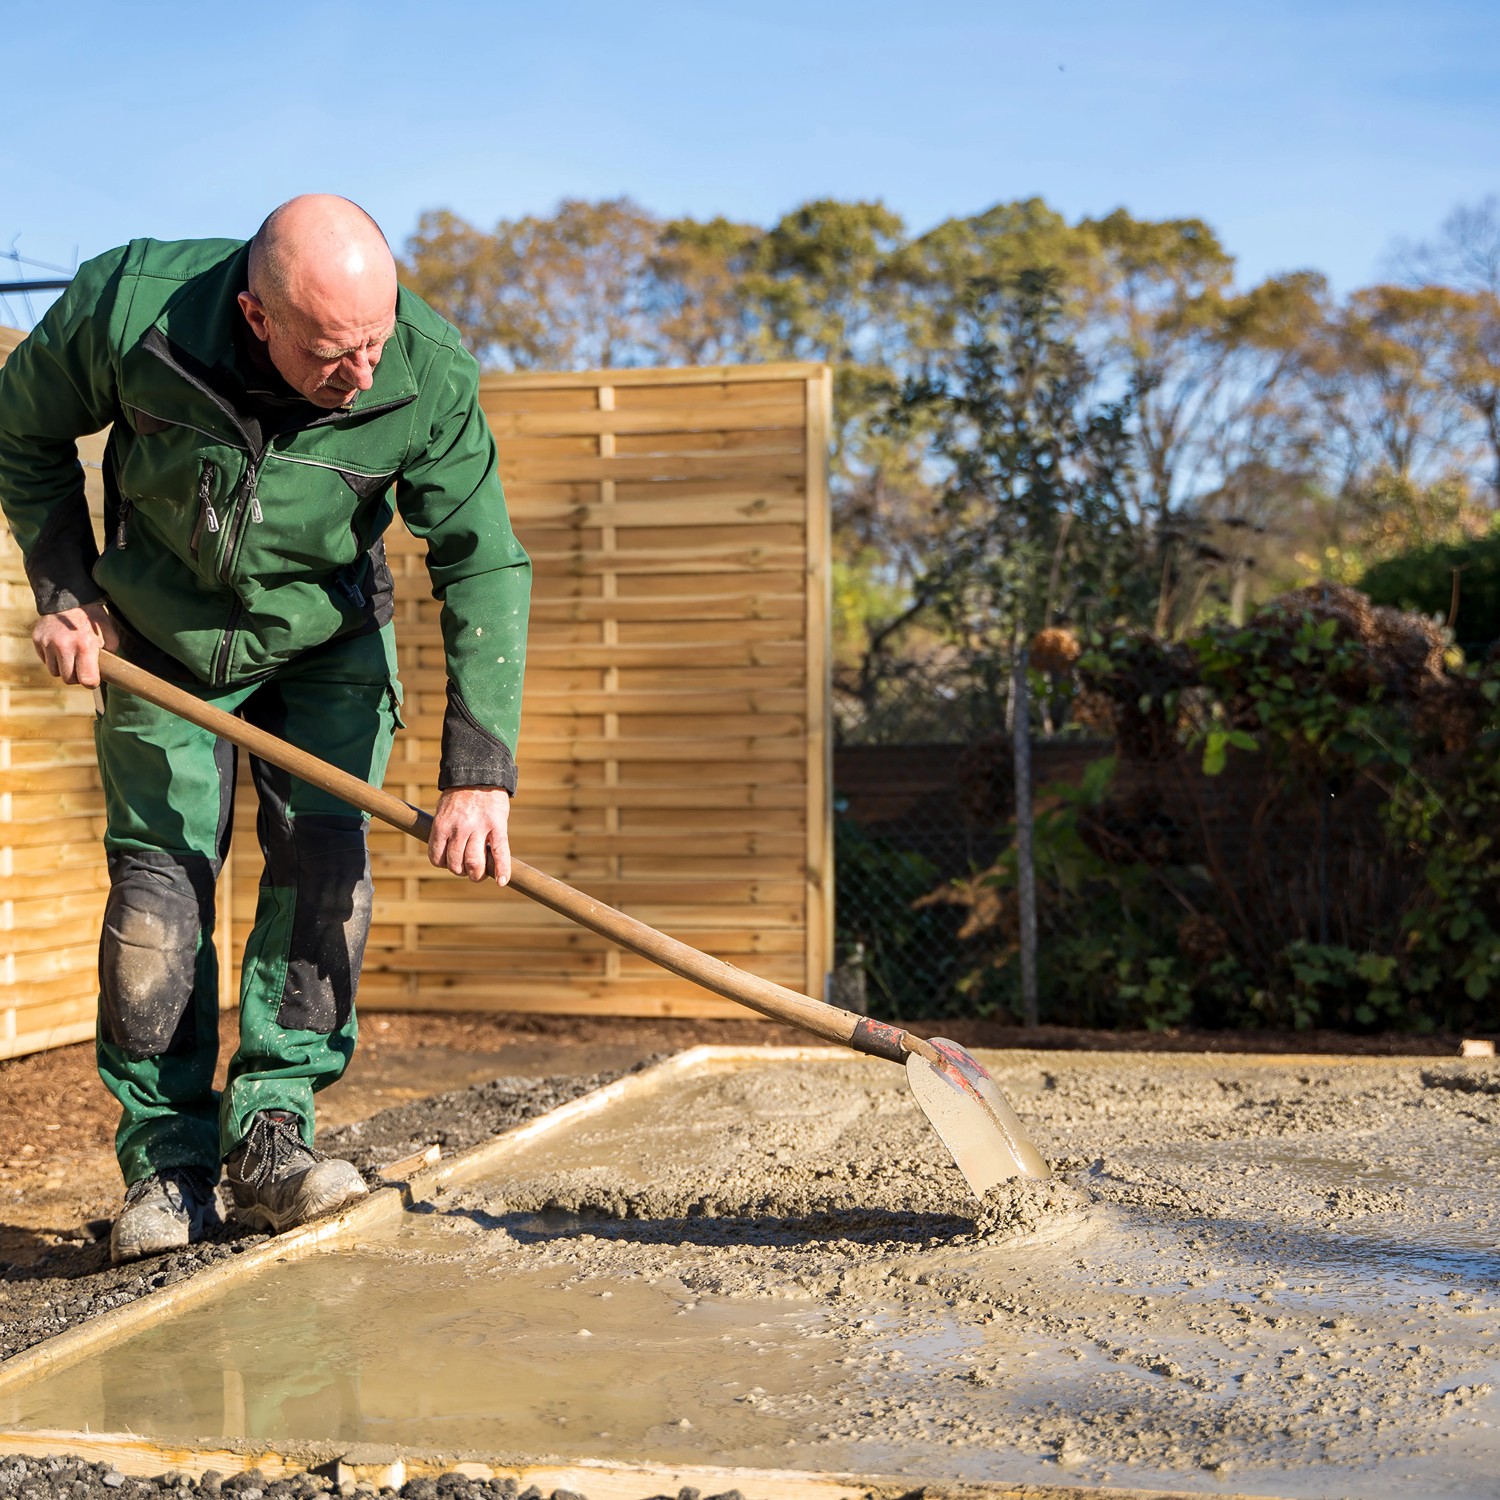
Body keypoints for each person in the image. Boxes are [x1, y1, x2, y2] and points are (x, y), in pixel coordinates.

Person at [0, 196, 531, 1263]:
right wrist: (64, 586)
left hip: (327, 639)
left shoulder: (423, 368)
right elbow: (22, 430)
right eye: (336, 354)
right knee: (157, 894)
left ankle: (272, 1141)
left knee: (324, 870)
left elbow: (483, 558)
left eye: (376, 340)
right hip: (157, 630)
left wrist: (480, 773)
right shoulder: (129, 309)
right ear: (256, 315)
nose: (366, 375)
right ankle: (168, 1164)